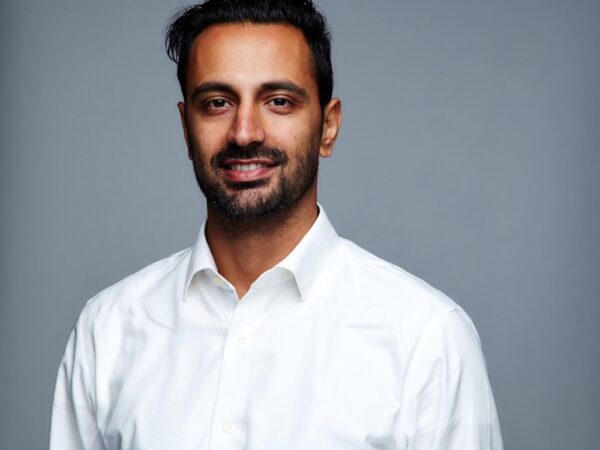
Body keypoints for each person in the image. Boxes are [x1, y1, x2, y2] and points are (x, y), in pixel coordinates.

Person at [49, 0, 503, 448]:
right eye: (218, 102)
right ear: (186, 129)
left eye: (279, 101)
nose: (245, 132)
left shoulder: (426, 339)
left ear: (328, 127)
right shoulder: (107, 331)